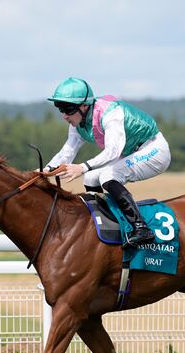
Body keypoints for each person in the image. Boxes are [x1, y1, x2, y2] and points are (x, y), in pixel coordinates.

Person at [45, 77, 171, 247]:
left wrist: (82, 167)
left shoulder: (110, 114)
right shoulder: (77, 123)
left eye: (68, 109)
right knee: (90, 178)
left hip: (154, 150)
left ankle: (141, 228)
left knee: (107, 176)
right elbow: (67, 152)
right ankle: (108, 223)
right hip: (130, 152)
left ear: (84, 106)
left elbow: (113, 152)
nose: (64, 116)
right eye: (60, 109)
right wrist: (44, 171)